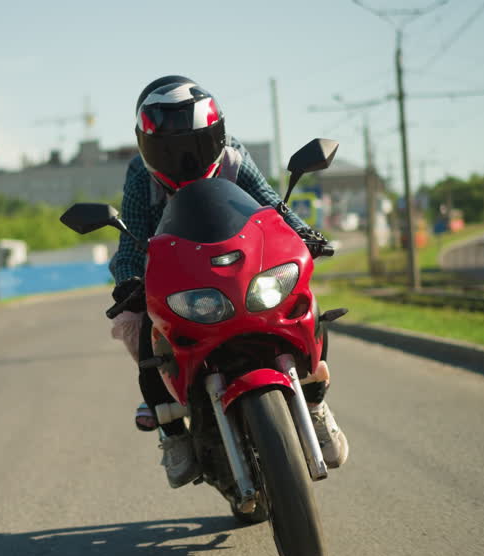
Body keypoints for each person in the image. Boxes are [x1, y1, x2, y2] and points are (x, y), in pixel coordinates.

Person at [108, 75, 350, 488]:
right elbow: (131, 236)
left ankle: (313, 403)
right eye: (169, 149)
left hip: (242, 263)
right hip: (179, 272)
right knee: (145, 329)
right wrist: (128, 279)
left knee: (301, 302)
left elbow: (271, 203)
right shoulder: (138, 173)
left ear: (217, 135)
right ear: (147, 147)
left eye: (197, 144)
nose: (185, 158)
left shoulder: (234, 155)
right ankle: (172, 430)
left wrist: (305, 235)